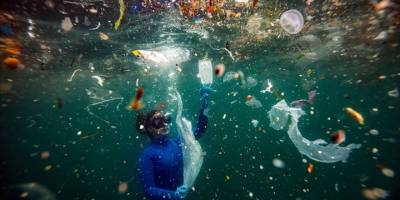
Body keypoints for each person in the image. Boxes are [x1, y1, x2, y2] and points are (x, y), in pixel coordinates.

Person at [136, 86, 212, 200]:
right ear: (149, 129)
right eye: (158, 122)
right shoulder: (147, 156)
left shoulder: (177, 143)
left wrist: (204, 105)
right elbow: (149, 190)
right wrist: (173, 195)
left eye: (166, 119)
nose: (164, 124)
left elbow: (200, 130)